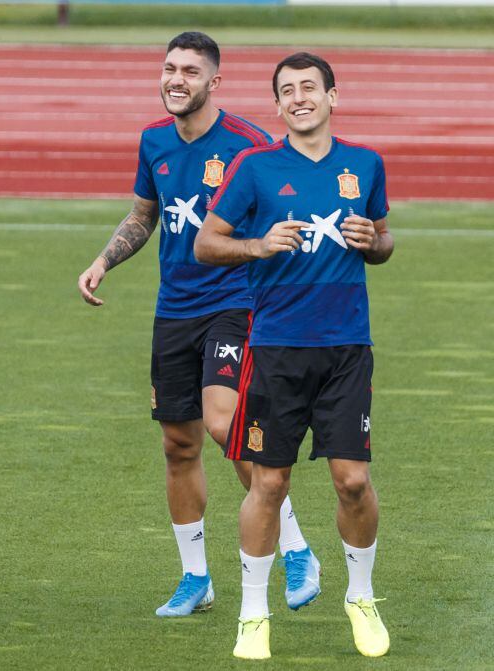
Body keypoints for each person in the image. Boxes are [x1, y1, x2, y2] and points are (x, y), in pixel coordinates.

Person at [76, 31, 319, 617]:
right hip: (174, 310)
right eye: (168, 68)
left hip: (236, 303)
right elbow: (145, 213)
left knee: (221, 422)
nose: (175, 80)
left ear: (215, 81)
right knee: (178, 443)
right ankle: (196, 580)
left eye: (189, 71)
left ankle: (297, 549)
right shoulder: (154, 140)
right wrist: (104, 260)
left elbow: (288, 218)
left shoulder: (247, 145)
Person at [194, 51, 393, 660]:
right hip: (276, 349)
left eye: (311, 87)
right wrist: (257, 245)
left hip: (346, 349)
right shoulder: (254, 169)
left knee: (353, 480)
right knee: (270, 482)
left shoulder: (365, 164)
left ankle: (360, 596)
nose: (300, 97)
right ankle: (254, 615)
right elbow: (206, 243)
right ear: (277, 104)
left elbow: (383, 241)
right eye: (288, 90)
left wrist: (375, 240)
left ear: (334, 96)